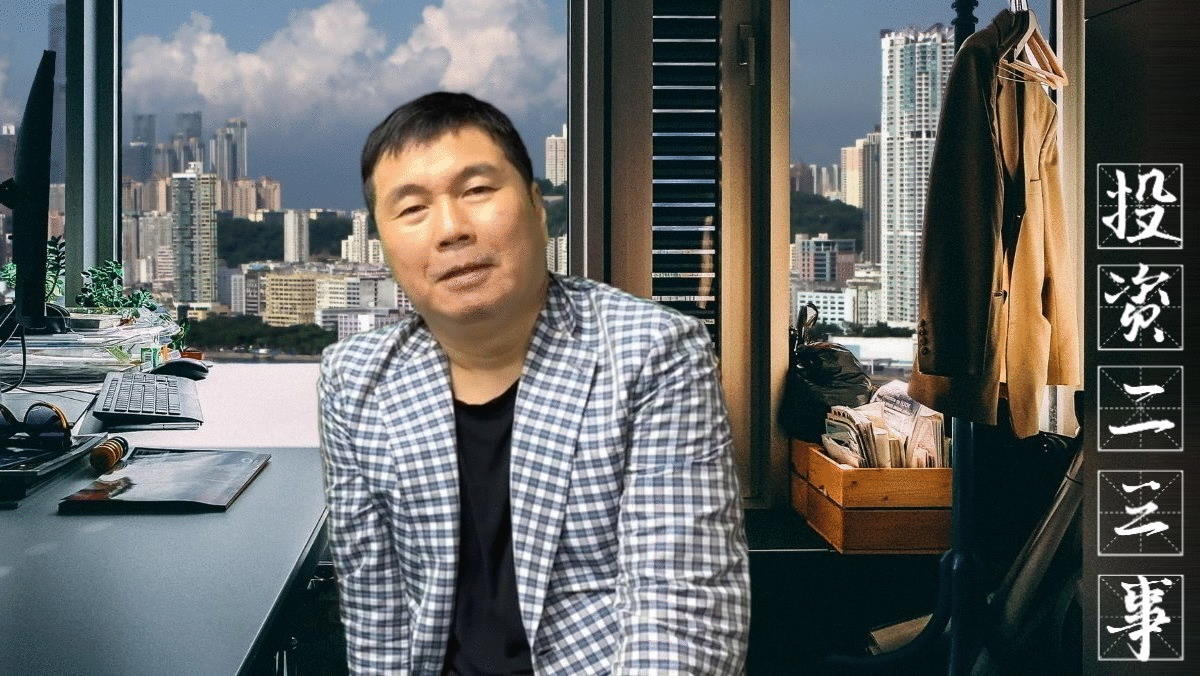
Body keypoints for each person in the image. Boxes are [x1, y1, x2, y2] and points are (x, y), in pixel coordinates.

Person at [318, 91, 750, 675]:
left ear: (536, 205)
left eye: (476, 190)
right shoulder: (354, 378)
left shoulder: (653, 352)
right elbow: (377, 614)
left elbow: (680, 616)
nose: (451, 229)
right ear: (383, 244)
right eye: (412, 208)